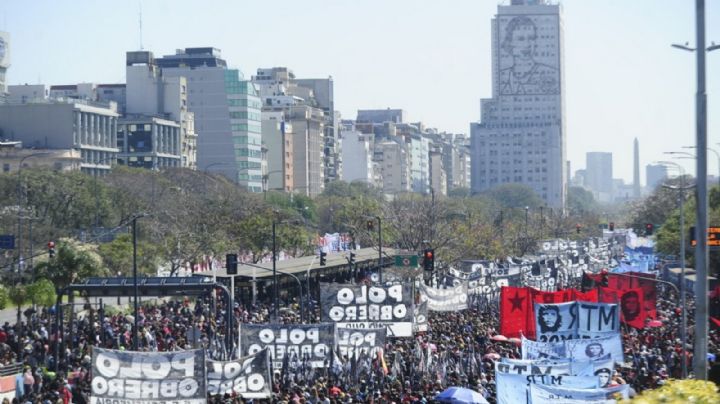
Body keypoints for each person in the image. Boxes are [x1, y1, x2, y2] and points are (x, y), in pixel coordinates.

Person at [499, 16, 559, 95]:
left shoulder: (550, 73)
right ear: (510, 42)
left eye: (531, 38)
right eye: (521, 39)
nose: (527, 44)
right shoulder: (502, 75)